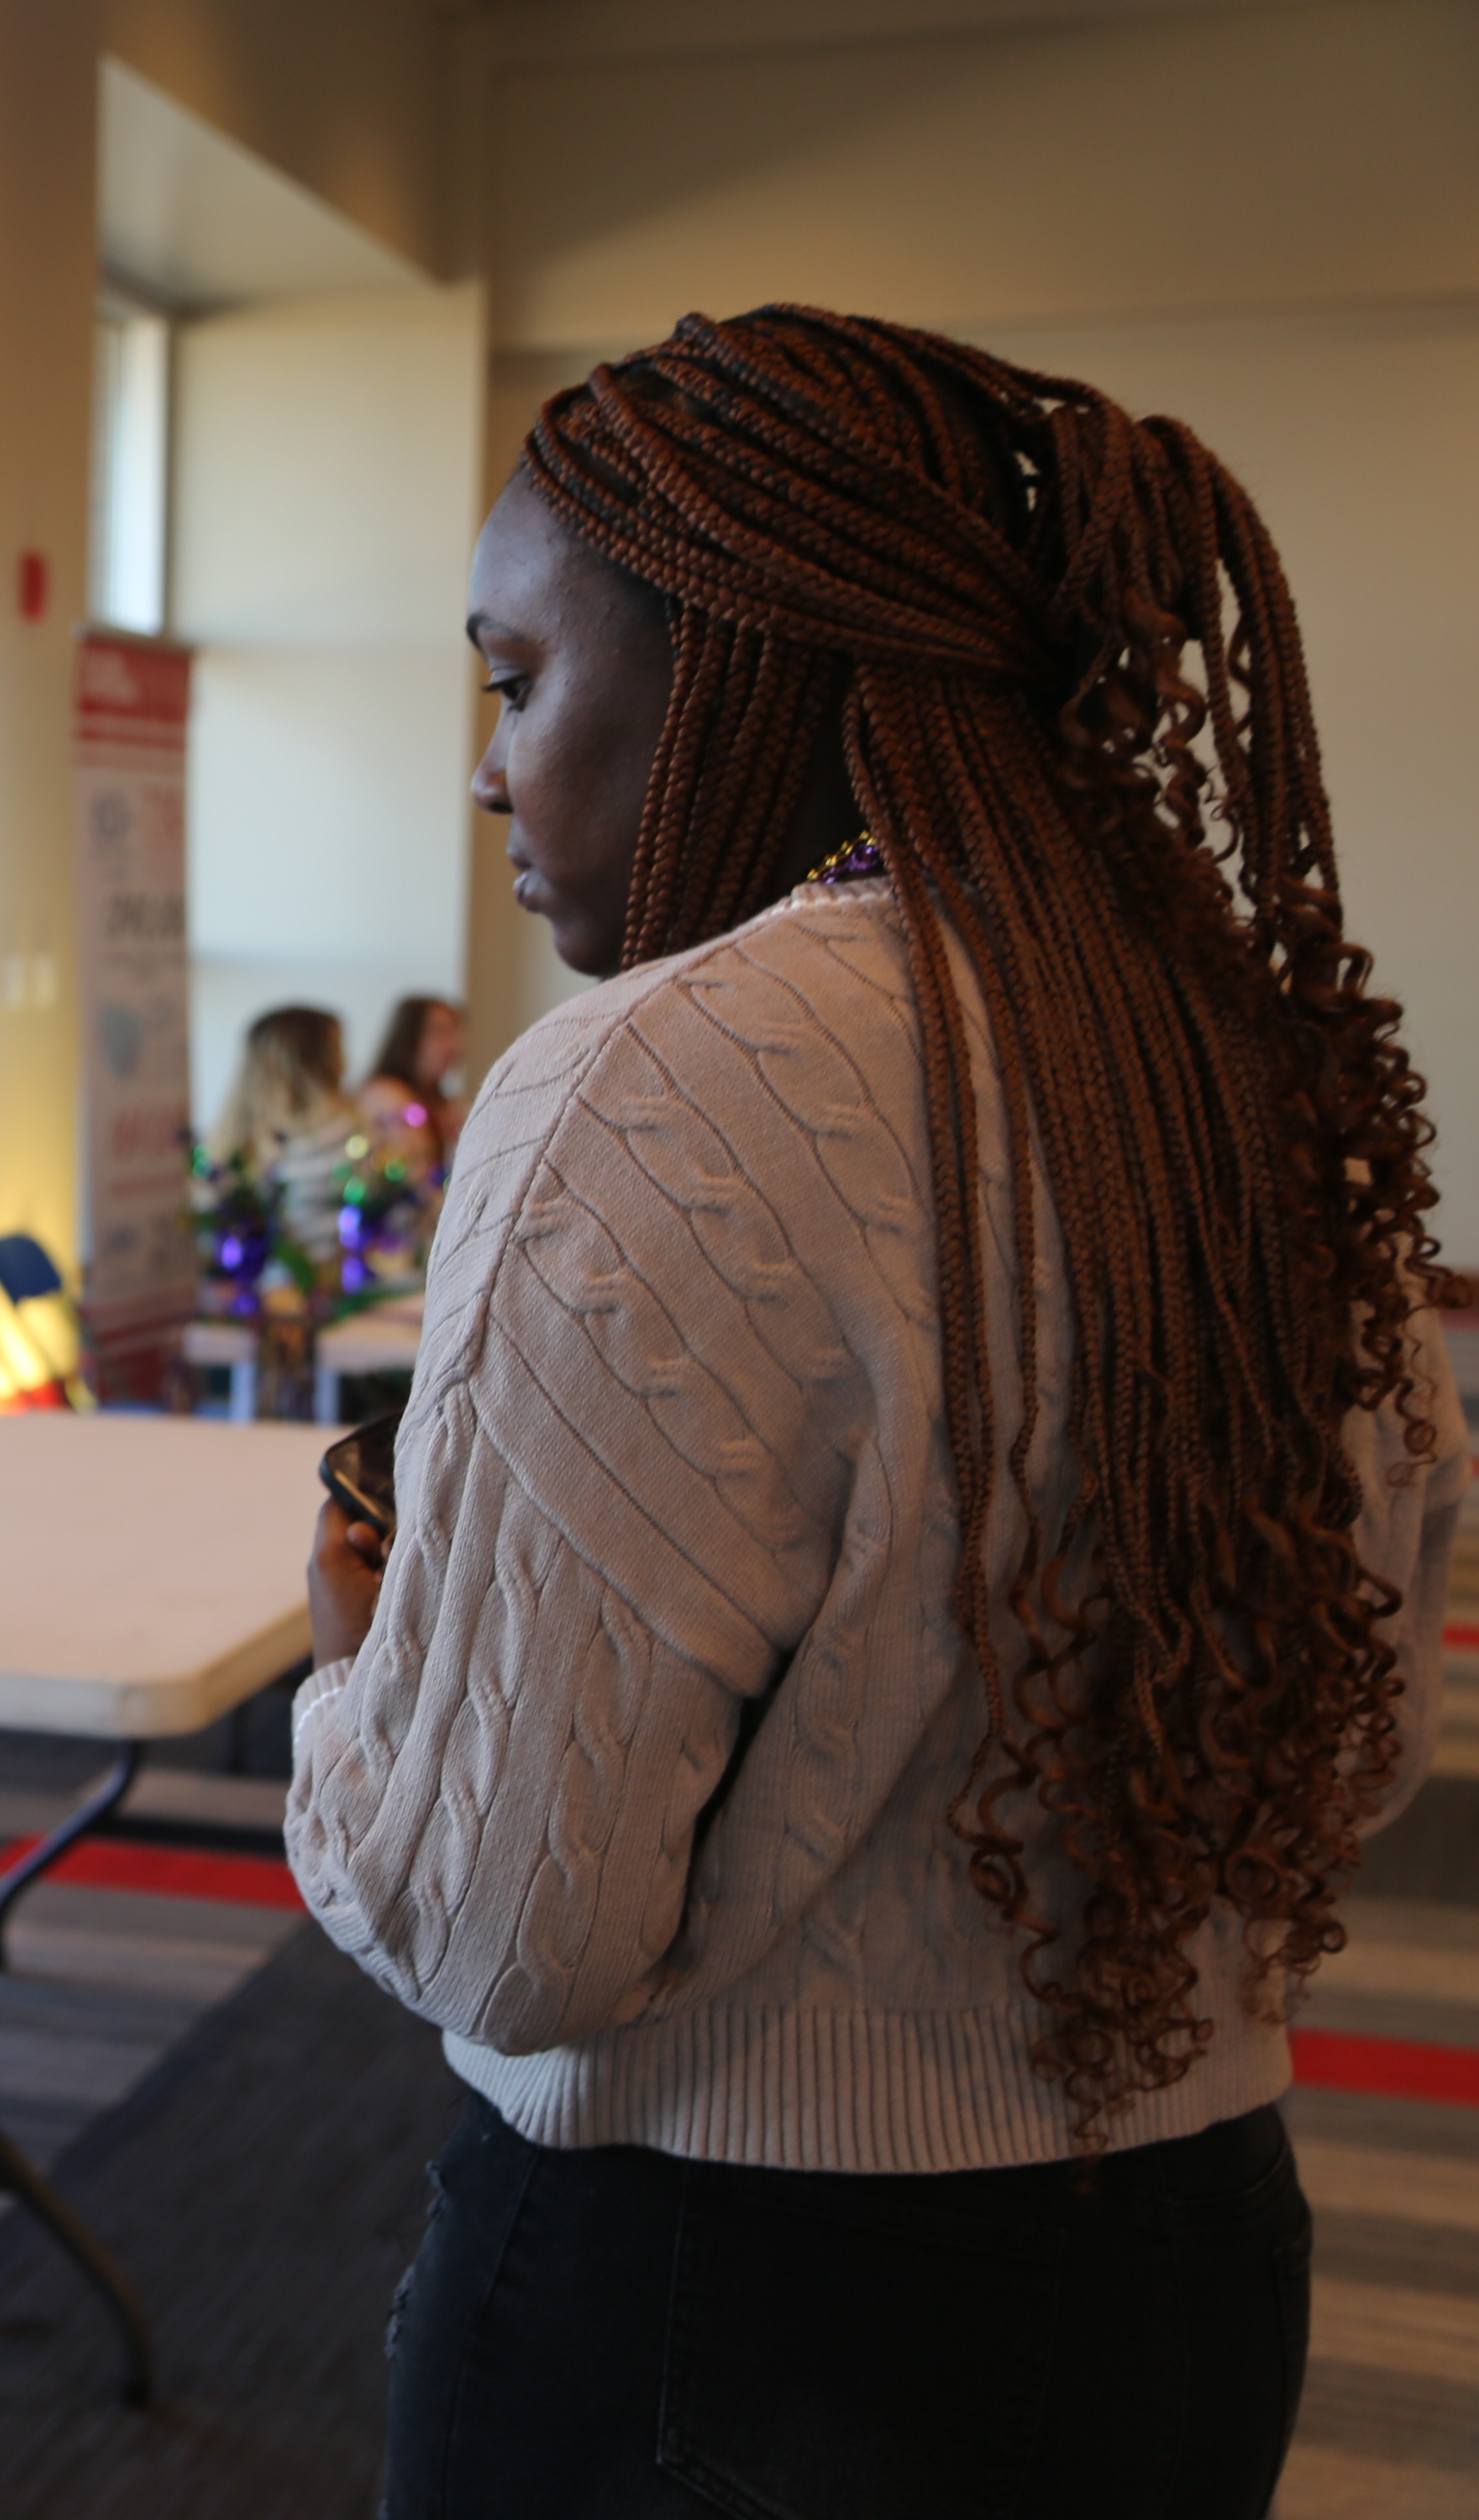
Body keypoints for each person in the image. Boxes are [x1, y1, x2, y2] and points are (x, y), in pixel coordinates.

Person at [292, 306, 1464, 2519]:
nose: (487, 765)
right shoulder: (1232, 1059)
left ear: (736, 655)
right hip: (1196, 2256)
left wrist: (359, 1673)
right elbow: (1357, 1744)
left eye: (513, 678)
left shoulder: (648, 1084)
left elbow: (514, 1930)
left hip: (724, 2323)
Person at [209, 1003, 356, 1269]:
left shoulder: (228, 1142)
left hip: (254, 1296)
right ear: (315, 1060)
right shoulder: (341, 1132)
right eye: (338, 1049)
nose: (346, 1062)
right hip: (331, 1290)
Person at [356, 994, 465, 1169]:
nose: (455, 1046)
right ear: (409, 1037)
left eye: (455, 1032)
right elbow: (418, 1171)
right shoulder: (385, 1094)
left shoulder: (442, 1104)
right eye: (439, 1032)